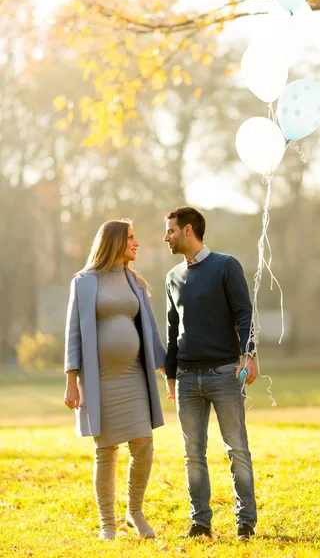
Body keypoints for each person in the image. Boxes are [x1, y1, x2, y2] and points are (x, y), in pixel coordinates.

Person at [64, 219, 166, 541]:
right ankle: (107, 524)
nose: (137, 244)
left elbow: (149, 327)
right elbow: (74, 335)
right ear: (115, 241)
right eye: (131, 238)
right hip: (101, 379)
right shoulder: (84, 282)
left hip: (134, 376)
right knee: (106, 450)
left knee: (144, 445)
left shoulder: (134, 280)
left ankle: (134, 511)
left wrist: (167, 374)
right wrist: (71, 381)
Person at [163, 206, 258, 540]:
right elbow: (172, 330)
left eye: (170, 230)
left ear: (188, 230)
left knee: (237, 449)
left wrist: (250, 355)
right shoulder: (172, 277)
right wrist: (170, 376)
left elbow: (244, 312)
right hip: (187, 378)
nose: (166, 237)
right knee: (193, 454)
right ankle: (200, 523)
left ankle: (245, 523)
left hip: (225, 374)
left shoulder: (226, 266)